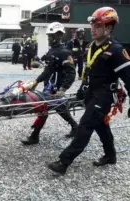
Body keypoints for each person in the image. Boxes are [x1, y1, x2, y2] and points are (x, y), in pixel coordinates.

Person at [47, 7, 130, 175]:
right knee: (100, 126)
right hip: (91, 94)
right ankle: (110, 156)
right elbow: (88, 71)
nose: (93, 29)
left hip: (105, 96)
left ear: (109, 27)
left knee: (84, 126)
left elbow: (129, 78)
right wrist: (81, 91)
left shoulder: (116, 51)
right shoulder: (91, 46)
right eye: (92, 25)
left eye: (98, 25)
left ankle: (64, 162)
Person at [10, 22, 78, 145]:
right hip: (50, 86)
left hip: (57, 87)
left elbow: (72, 73)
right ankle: (75, 127)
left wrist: (63, 89)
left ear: (58, 35)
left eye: (50, 36)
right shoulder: (52, 51)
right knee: (57, 108)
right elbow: (48, 70)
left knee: (44, 108)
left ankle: (35, 136)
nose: (48, 38)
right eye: (48, 36)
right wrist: (37, 81)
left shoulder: (64, 53)